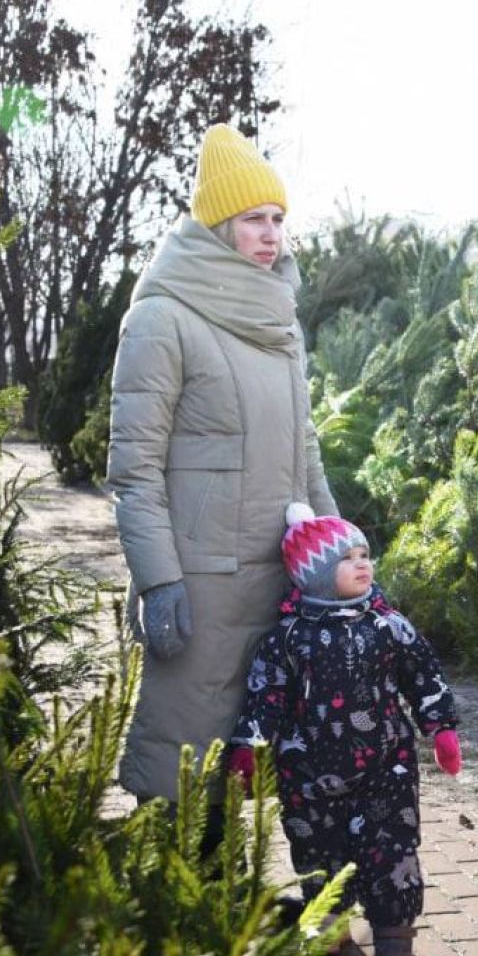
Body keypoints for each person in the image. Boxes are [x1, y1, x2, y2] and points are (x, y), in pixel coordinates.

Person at [107, 124, 338, 802]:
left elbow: (304, 442)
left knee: (253, 757)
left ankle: (228, 901)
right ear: (214, 228)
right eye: (252, 220)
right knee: (183, 763)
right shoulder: (162, 317)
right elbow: (134, 470)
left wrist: (336, 541)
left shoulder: (279, 323)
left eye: (277, 220)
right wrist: (157, 582)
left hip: (280, 578)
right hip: (200, 587)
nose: (271, 235)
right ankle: (173, 900)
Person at [228, 505, 462, 956]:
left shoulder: (387, 626)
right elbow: (266, 693)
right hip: (311, 773)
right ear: (314, 575)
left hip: (386, 768)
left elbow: (423, 674)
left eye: (365, 554)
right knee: (318, 848)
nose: (363, 564)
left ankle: (394, 932)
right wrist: (250, 745)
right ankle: (328, 922)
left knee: (392, 845)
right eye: (348, 557)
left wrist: (440, 727)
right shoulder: (289, 638)